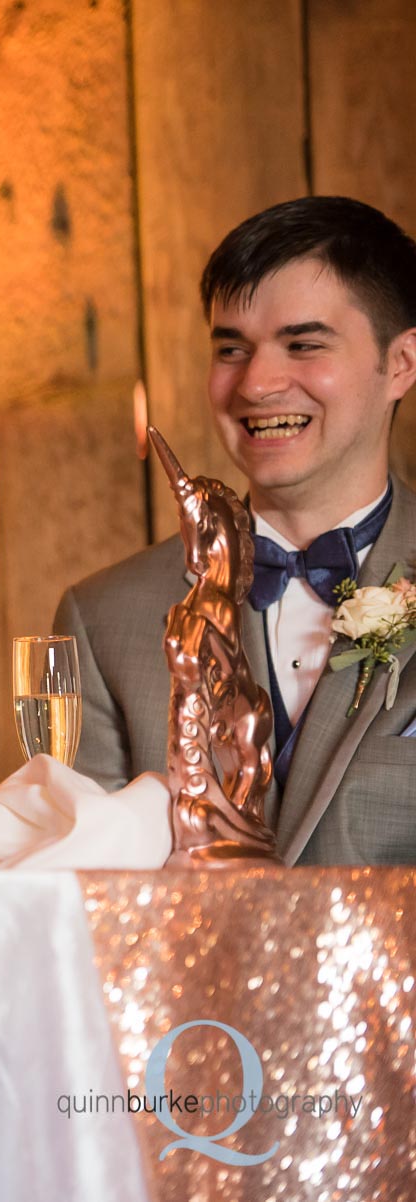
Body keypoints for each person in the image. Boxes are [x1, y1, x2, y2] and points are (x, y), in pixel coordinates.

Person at [58, 195, 416, 866]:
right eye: (231, 349)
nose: (256, 383)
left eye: (303, 345)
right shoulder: (104, 619)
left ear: (401, 363)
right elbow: (80, 906)